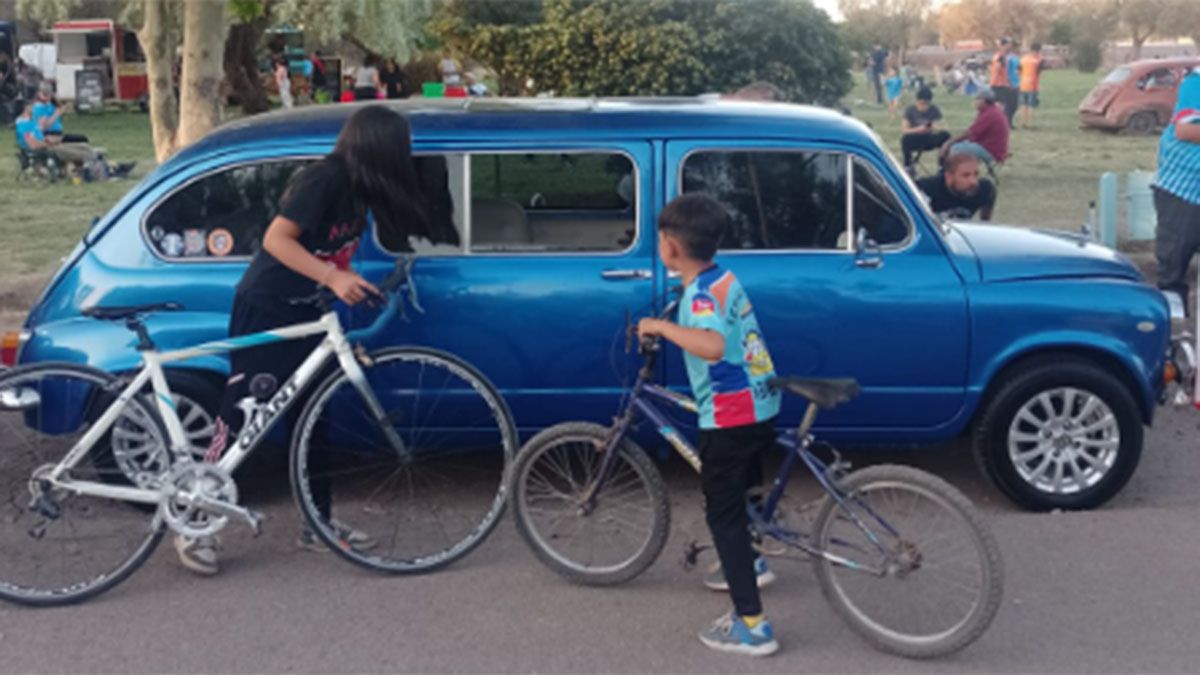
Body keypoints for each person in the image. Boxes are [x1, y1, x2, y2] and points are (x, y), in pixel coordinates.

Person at [174, 106, 453, 576]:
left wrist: (348, 284)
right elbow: (277, 240)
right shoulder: (324, 179)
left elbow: (334, 251)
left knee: (314, 419)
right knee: (244, 416)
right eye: (399, 148)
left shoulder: (360, 189)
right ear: (379, 147)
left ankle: (318, 523)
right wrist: (332, 276)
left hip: (308, 310)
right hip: (267, 307)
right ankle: (195, 521)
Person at [637, 194, 782, 657]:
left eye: (660, 238)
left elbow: (713, 345)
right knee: (746, 490)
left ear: (671, 246)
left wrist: (660, 329)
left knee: (723, 514)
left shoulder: (699, 296)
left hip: (730, 415)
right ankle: (753, 562)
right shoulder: (720, 278)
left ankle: (752, 625)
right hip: (763, 402)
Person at [1152, 66, 1200, 314]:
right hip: (1184, 191)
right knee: (1173, 270)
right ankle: (1172, 338)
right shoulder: (1196, 82)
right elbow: (1186, 129)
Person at [13, 99, 134, 179]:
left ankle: (113, 168)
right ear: (25, 109)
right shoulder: (24, 125)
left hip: (51, 146)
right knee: (85, 153)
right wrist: (48, 142)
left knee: (84, 146)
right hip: (48, 150)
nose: (32, 108)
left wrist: (50, 139)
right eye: (29, 106)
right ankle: (108, 172)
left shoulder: (30, 122)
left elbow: (39, 137)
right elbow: (33, 145)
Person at [916, 152, 996, 221]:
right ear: (948, 176)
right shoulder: (926, 189)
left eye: (976, 174)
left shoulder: (984, 189)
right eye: (966, 175)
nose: (973, 181)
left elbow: (985, 223)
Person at [940, 88, 1009, 169]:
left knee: (955, 148)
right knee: (958, 146)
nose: (975, 101)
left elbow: (970, 133)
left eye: (978, 99)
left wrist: (950, 142)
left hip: (991, 151)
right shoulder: (990, 110)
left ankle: (950, 173)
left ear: (984, 100)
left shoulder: (990, 114)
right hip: (989, 147)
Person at [900, 87, 950, 172]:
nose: (923, 106)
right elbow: (904, 130)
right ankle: (908, 166)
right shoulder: (910, 110)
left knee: (946, 136)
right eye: (921, 103)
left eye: (926, 104)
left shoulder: (934, 109)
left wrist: (933, 128)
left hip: (929, 137)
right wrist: (917, 129)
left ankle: (942, 165)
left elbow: (944, 126)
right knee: (905, 139)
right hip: (915, 137)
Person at [990, 38, 1018, 128]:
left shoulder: (1003, 56)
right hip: (998, 84)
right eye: (1008, 44)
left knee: (1011, 104)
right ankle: (1001, 124)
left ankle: (1007, 123)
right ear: (1003, 45)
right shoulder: (1000, 56)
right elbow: (998, 69)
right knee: (1002, 106)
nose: (1010, 46)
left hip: (1003, 83)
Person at [1019, 43, 1045, 129]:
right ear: (1038, 51)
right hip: (1033, 85)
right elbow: (1040, 73)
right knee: (1031, 105)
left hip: (1023, 84)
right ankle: (1029, 123)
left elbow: (1018, 71)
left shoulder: (1023, 59)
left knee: (1023, 104)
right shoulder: (1038, 60)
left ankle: (1023, 122)